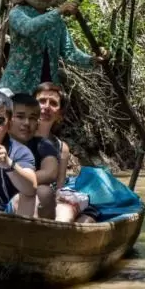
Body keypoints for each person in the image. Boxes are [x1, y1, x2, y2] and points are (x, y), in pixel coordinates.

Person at [0, 0, 106, 95]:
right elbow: (28, 28)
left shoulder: (57, 22)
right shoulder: (18, 12)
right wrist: (59, 11)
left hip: (46, 91)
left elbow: (69, 52)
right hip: (17, 87)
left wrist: (92, 59)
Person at [34, 82, 95, 223]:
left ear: (60, 115)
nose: (46, 107)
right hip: (25, 193)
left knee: (88, 217)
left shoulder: (62, 148)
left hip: (48, 199)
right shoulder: (21, 135)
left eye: (53, 103)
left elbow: (59, 187)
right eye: (41, 101)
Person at [7, 93, 61, 217]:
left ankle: (39, 234)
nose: (26, 123)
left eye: (32, 118)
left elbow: (50, 173)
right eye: (20, 117)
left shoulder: (42, 144)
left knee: (44, 192)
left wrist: (14, 179)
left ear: (38, 122)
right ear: (8, 119)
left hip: (28, 194)